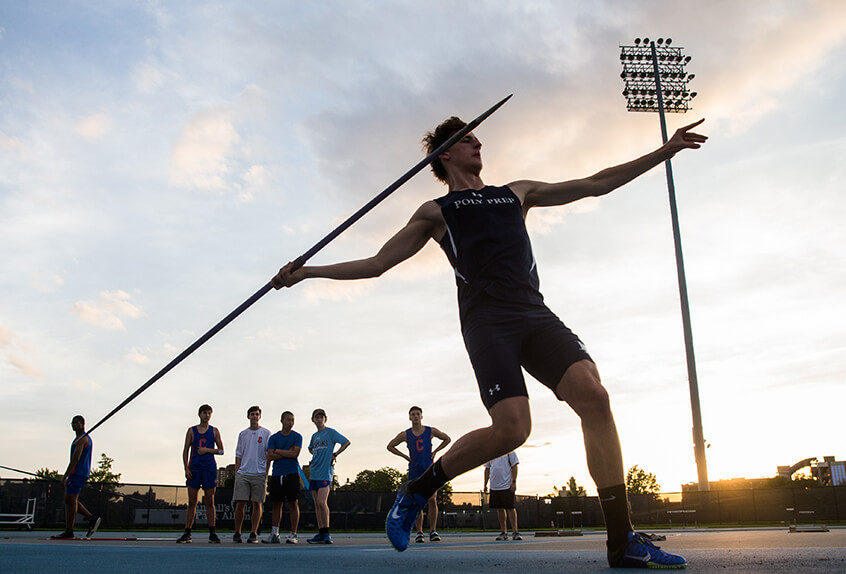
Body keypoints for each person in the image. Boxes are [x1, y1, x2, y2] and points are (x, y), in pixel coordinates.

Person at [272, 112, 707, 568]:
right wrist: (306, 272)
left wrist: (665, 150)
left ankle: (622, 540)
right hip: (487, 322)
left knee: (595, 397)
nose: (479, 145)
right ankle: (419, 488)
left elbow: (596, 183)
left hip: (534, 313)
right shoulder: (435, 213)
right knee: (514, 429)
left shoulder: (516, 193)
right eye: (468, 141)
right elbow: (378, 263)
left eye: (478, 139)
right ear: (445, 156)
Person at [386, 406, 450, 543]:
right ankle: (419, 532)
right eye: (413, 414)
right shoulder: (405, 434)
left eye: (417, 414)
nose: (415, 416)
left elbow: (447, 439)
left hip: (429, 468)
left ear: (422, 416)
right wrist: (404, 456)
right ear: (409, 417)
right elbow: (390, 446)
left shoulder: (430, 431)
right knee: (417, 501)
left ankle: (433, 530)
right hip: (415, 470)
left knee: (432, 499)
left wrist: (436, 451)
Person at [177, 404, 224, 544]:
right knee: (192, 501)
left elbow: (221, 451)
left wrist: (207, 450)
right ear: (199, 414)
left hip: (209, 469)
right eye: (204, 413)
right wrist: (186, 468)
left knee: (210, 501)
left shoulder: (214, 431)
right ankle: (187, 532)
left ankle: (212, 533)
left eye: (209, 413)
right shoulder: (191, 431)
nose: (207, 415)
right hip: (195, 468)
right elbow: (185, 450)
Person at [305, 408, 350, 544]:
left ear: (325, 419)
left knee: (321, 502)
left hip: (325, 473)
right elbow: (310, 448)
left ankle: (327, 533)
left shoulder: (330, 432)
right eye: (317, 417)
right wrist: (316, 455)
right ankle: (321, 532)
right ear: (313, 420)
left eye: (321, 417)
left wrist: (335, 454)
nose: (319, 419)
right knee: (317, 505)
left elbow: (346, 442)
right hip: (314, 472)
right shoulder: (314, 436)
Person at [52, 415, 100, 539]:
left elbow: (75, 459)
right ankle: (91, 519)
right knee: (69, 499)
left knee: (70, 499)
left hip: (79, 473)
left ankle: (70, 530)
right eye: (72, 423)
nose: (74, 425)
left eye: (76, 423)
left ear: (83, 424)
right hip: (77, 473)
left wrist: (65, 476)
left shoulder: (83, 439)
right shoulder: (78, 439)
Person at [232, 405, 271, 543]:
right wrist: (238, 472)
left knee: (257, 504)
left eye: (256, 414)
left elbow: (268, 455)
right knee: (240, 504)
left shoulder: (266, 433)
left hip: (259, 474)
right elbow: (238, 454)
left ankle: (253, 532)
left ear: (259, 416)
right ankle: (237, 532)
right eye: (252, 414)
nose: (254, 416)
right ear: (248, 416)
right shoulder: (243, 434)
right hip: (243, 473)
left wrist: (265, 472)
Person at [263, 410, 303, 544]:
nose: (291, 422)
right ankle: (275, 534)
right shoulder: (274, 438)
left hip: (292, 473)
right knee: (276, 504)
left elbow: (295, 454)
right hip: (276, 474)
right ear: (282, 420)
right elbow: (269, 455)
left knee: (293, 503)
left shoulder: (297, 436)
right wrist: (287, 452)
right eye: (288, 420)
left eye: (292, 420)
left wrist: (278, 451)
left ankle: (293, 534)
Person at [484, 451, 521, 541]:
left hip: (507, 485)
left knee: (510, 508)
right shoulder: (490, 453)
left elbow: (514, 466)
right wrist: (485, 484)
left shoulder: (509, 451)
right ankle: (503, 532)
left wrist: (514, 482)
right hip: (494, 486)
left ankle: (515, 532)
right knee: (500, 509)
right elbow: (487, 469)